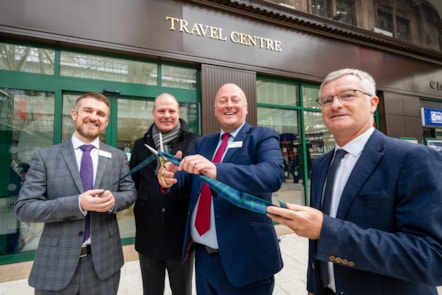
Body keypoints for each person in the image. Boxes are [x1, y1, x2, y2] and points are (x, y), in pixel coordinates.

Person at [267, 68, 442, 295]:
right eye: (327, 100)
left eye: (348, 95)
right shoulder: (321, 165)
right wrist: (315, 285)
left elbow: (431, 258)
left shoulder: (413, 159)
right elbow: (316, 239)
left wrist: (327, 229)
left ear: (373, 103)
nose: (336, 104)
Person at [160, 83, 284, 295]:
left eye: (235, 100)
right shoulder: (204, 143)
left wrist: (216, 169)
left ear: (246, 107)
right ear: (215, 108)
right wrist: (171, 178)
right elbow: (191, 181)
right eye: (223, 101)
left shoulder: (262, 136)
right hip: (204, 260)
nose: (229, 105)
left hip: (246, 261)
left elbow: (272, 175)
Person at [15, 92, 137, 295]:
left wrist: (114, 199)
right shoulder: (46, 157)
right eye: (88, 110)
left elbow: (130, 193)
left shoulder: (117, 157)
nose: (93, 117)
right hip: (56, 263)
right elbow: (25, 208)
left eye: (100, 113)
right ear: (74, 114)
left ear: (105, 122)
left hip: (105, 263)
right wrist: (78, 203)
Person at [129, 93, 198, 295]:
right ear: (153, 113)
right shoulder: (140, 145)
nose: (166, 115)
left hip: (182, 235)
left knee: (182, 291)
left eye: (171, 111)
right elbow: (133, 183)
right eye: (161, 110)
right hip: (148, 234)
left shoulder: (195, 142)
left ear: (178, 113)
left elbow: (201, 183)